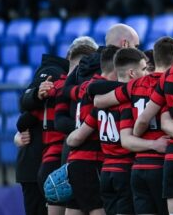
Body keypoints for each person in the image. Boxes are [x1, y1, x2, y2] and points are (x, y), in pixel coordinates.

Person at [91, 38, 173, 215]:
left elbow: (98, 100)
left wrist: (91, 90)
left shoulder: (133, 87)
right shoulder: (172, 85)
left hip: (138, 169)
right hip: (162, 166)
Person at [66, 47, 150, 215]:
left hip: (106, 171)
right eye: (144, 69)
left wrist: (70, 140)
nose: (147, 73)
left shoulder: (98, 101)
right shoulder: (127, 101)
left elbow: (78, 136)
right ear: (132, 73)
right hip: (121, 168)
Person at [38, 42, 97, 215]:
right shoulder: (64, 89)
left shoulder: (90, 89)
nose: (71, 74)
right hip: (66, 160)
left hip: (70, 159)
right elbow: (59, 122)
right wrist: (85, 128)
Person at [64, 46, 119, 215]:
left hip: (75, 160)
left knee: (74, 209)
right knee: (98, 210)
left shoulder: (86, 86)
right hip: (90, 161)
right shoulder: (99, 91)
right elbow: (87, 128)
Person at [18, 51, 70, 215]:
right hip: (36, 164)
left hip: (39, 165)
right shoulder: (54, 73)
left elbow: (23, 120)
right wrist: (36, 94)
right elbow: (25, 108)